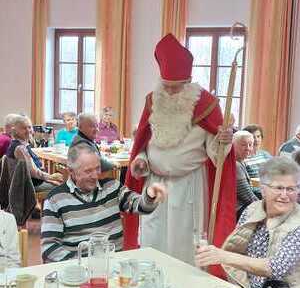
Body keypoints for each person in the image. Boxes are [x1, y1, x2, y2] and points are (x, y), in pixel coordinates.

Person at [124, 34, 236, 274]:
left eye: (177, 86)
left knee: (183, 246)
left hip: (188, 187)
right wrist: (141, 161)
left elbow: (216, 157)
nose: (172, 91)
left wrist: (224, 141)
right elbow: (143, 143)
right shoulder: (153, 100)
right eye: (167, 86)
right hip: (154, 184)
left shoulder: (206, 104)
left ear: (189, 81)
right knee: (152, 239)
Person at [41, 143, 167, 263]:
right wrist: (80, 265)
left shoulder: (112, 187)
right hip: (78, 271)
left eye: (97, 169)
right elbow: (49, 248)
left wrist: (150, 196)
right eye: (88, 171)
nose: (95, 176)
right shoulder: (55, 199)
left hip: (113, 267)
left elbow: (139, 205)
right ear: (71, 172)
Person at [195, 157, 300, 288]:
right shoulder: (252, 209)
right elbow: (237, 248)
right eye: (278, 188)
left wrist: (222, 256)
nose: (284, 195)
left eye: (291, 189)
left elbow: (275, 268)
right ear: (263, 190)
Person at [6, 115, 63, 191]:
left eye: (29, 127)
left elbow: (34, 171)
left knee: (57, 182)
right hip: (25, 186)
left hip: (28, 181)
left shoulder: (21, 144)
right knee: (61, 188)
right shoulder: (20, 148)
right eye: (23, 128)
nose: (28, 130)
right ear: (15, 130)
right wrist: (50, 177)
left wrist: (48, 179)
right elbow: (33, 172)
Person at [233, 131, 259, 219]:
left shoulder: (241, 161)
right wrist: (264, 208)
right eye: (243, 145)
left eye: (250, 145)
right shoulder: (235, 165)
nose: (248, 148)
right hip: (238, 210)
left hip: (244, 206)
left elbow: (251, 182)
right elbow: (248, 197)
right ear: (233, 145)